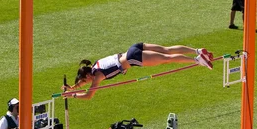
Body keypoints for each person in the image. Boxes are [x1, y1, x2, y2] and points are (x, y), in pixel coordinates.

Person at [62, 43, 214, 100]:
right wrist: (72, 88)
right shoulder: (96, 64)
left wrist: (73, 95)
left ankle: (197, 60)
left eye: (85, 81)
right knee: (166, 49)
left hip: (133, 58)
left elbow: (89, 95)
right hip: (133, 48)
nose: (86, 83)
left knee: (167, 58)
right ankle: (198, 50)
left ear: (88, 75)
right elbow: (83, 82)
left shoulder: (97, 76)